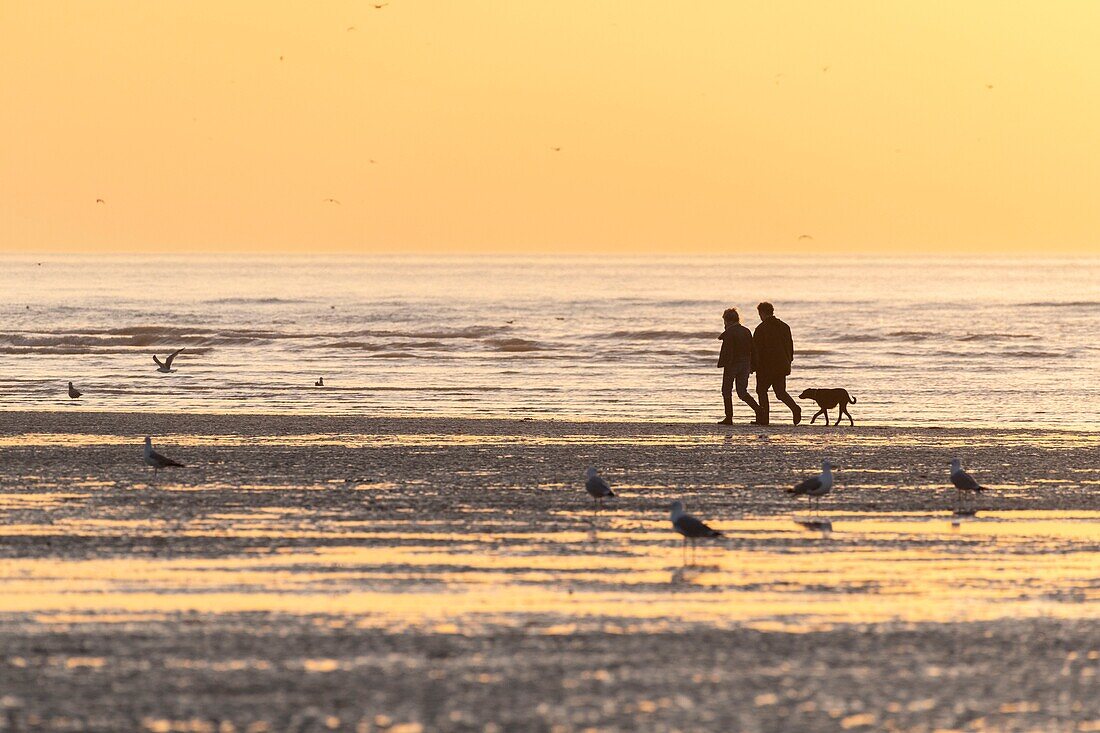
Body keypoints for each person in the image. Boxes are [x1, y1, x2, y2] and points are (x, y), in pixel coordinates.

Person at [752, 302, 801, 426]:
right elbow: (790, 346)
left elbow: (756, 349)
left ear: (762, 313)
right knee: (780, 392)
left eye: (760, 314)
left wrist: (753, 366)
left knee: (761, 391)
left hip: (766, 366)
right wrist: (789, 360)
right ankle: (795, 408)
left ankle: (764, 419)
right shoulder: (784, 326)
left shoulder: (761, 328)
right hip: (781, 365)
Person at [717, 308, 760, 425]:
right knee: (742, 392)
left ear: (727, 320)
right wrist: (753, 365)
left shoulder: (730, 332)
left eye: (724, 321)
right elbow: (753, 349)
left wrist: (724, 363)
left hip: (732, 364)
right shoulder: (746, 331)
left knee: (726, 390)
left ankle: (729, 417)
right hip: (745, 364)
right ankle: (758, 410)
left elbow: (728, 351)